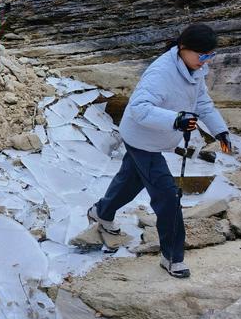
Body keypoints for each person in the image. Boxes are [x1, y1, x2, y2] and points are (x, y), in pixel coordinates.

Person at [87, 23, 232, 279]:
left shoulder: (195, 68)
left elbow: (202, 103)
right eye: (202, 56)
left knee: (130, 181)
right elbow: (139, 108)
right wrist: (176, 120)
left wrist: (220, 130)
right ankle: (173, 258)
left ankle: (101, 212)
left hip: (150, 137)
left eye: (210, 56)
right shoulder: (161, 73)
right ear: (183, 48)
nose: (206, 61)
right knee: (167, 196)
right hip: (143, 139)